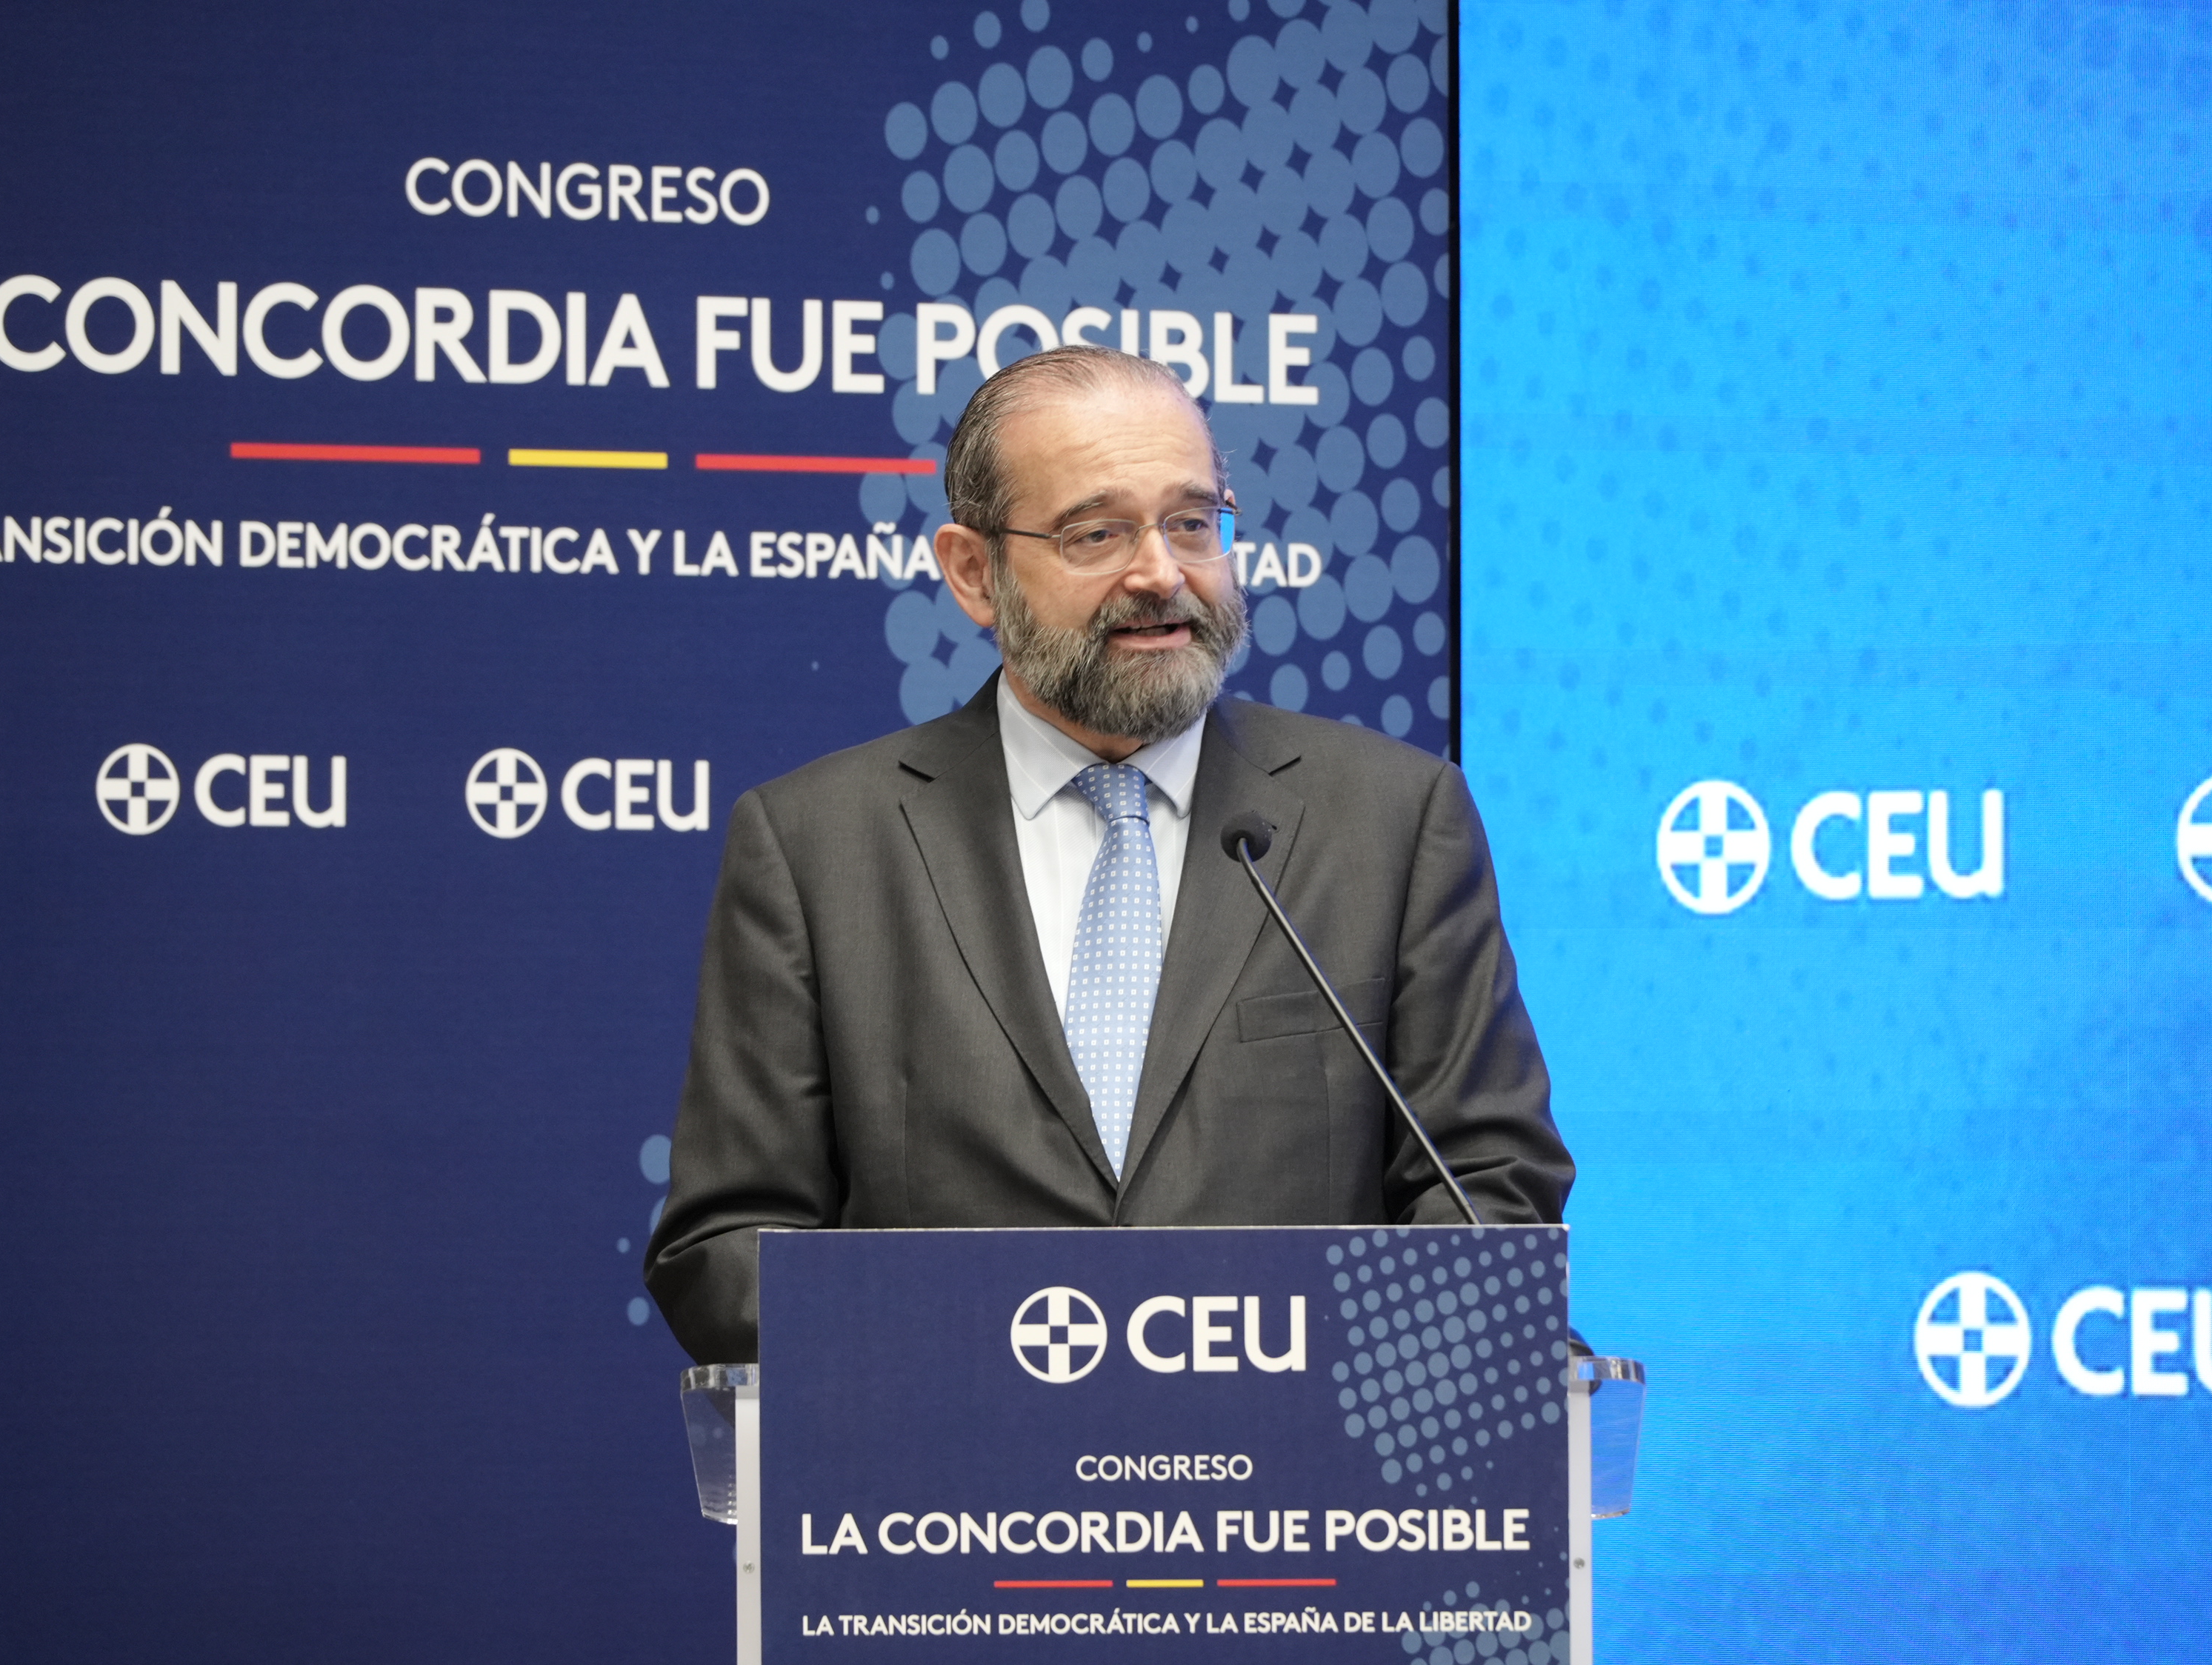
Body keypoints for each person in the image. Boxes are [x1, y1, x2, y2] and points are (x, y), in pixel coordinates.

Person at [644, 344, 1570, 1365]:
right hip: (957, 1456)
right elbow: (726, 1252)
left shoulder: (1391, 820)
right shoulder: (817, 846)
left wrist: (1294, 1371)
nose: (1161, 574)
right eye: (1097, 534)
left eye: (1193, 523)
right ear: (973, 572)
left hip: (1294, 1451)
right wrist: (984, 1363)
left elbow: (1489, 1190)